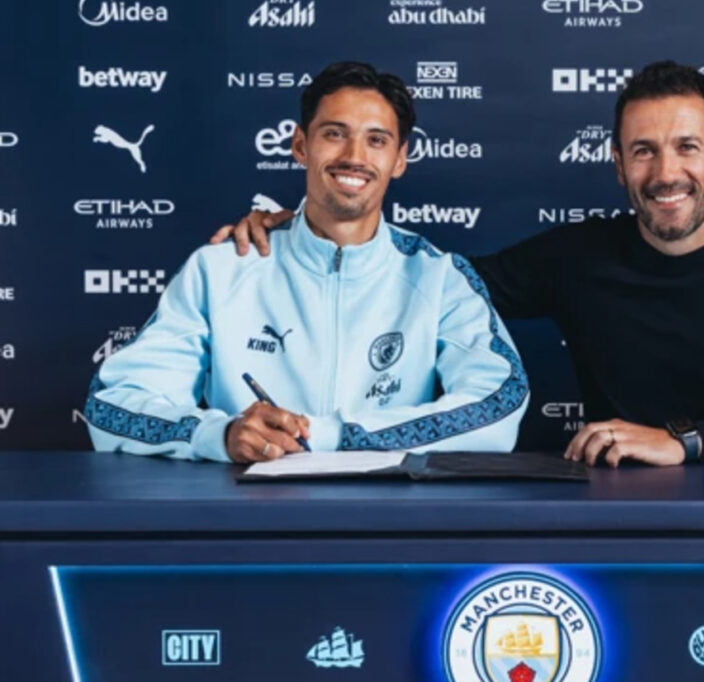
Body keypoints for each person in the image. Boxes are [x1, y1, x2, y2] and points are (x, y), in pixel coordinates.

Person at [211, 61, 704, 467]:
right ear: (618, 165)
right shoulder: (577, 257)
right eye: (643, 151)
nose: (666, 173)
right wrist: (309, 231)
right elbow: (422, 282)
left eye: (687, 147)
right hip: (620, 509)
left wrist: (682, 442)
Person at [86, 62, 528, 463]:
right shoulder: (220, 270)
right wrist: (219, 435)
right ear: (300, 145)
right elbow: (113, 403)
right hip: (247, 515)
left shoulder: (439, 278)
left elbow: (498, 404)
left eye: (376, 140)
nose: (354, 156)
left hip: (391, 517)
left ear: (399, 160)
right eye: (335, 134)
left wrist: (333, 437)